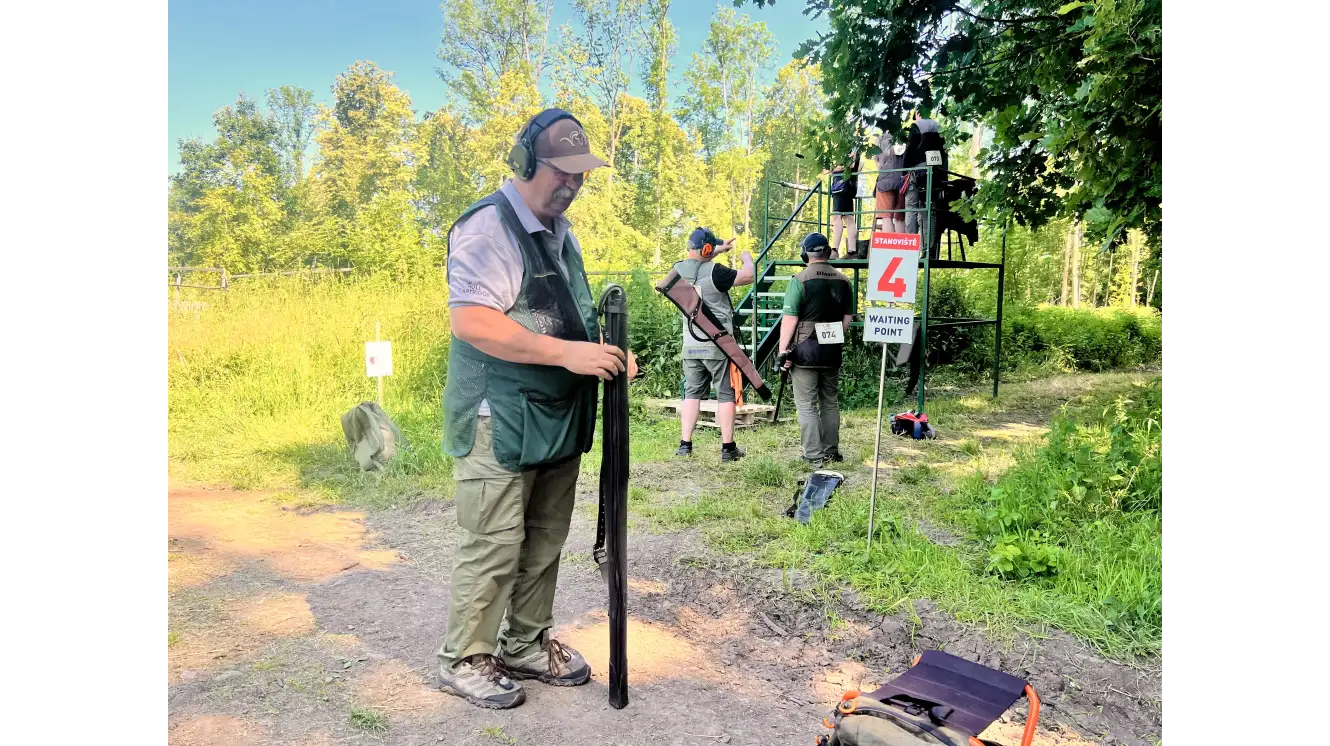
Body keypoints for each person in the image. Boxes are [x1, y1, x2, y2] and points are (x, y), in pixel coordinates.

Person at [437, 108, 638, 710]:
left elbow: (563, 315)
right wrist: (570, 354)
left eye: (580, 173)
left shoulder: (560, 233)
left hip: (554, 415)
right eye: (561, 171)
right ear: (525, 162)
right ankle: (467, 656)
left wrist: (604, 352)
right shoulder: (488, 227)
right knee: (495, 542)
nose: (573, 183)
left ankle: (525, 642)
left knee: (546, 536)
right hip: (498, 416)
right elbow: (474, 322)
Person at [672, 226, 755, 462]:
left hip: (691, 344)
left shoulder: (677, 270)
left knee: (691, 393)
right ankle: (728, 448)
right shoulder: (717, 272)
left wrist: (718, 249)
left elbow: (697, 261)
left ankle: (685, 444)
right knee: (725, 394)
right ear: (708, 249)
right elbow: (748, 276)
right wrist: (747, 259)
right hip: (717, 345)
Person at [777, 233, 855, 466]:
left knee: (806, 405)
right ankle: (831, 451)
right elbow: (848, 316)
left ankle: (813, 455)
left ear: (805, 254)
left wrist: (783, 350)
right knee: (829, 401)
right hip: (831, 350)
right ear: (828, 252)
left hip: (805, 351)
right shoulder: (844, 281)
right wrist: (835, 335)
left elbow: (790, 319)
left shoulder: (799, 280)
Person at [902, 112, 947, 257]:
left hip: (916, 171)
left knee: (911, 208)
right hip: (935, 173)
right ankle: (929, 250)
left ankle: (910, 249)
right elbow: (944, 152)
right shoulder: (939, 126)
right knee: (929, 210)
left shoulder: (916, 126)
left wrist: (903, 171)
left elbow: (909, 149)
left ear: (917, 114)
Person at [873, 129, 907, 233]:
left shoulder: (880, 139)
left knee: (886, 217)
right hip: (903, 182)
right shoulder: (902, 138)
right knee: (900, 217)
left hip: (884, 182)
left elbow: (877, 164)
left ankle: (889, 243)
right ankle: (902, 243)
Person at [828, 148, 859, 257]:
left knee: (838, 217)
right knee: (848, 218)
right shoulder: (852, 146)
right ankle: (852, 251)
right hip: (844, 186)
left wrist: (833, 168)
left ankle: (835, 250)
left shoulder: (850, 146)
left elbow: (851, 164)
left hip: (842, 187)